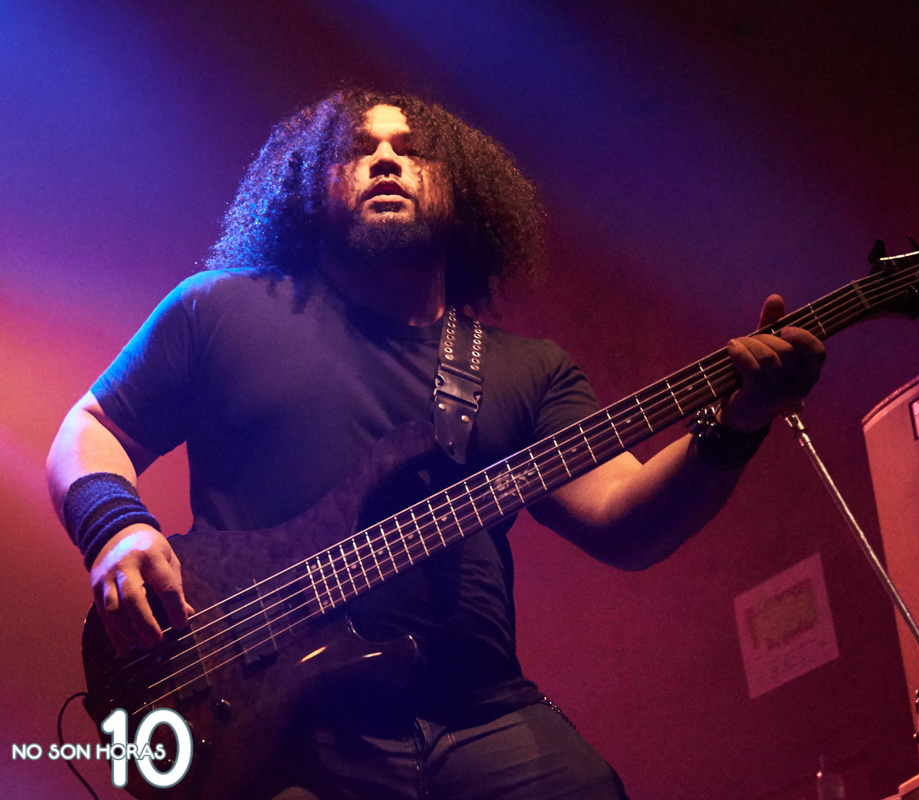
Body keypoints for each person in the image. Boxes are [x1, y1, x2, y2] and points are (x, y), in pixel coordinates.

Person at [46, 89, 824, 800]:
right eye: (359, 149)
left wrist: (735, 426)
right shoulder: (218, 311)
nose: (386, 159)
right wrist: (116, 527)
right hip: (285, 734)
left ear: (464, 192)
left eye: (413, 149)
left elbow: (625, 518)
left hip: (484, 715)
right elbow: (93, 427)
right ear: (311, 185)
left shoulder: (526, 369)